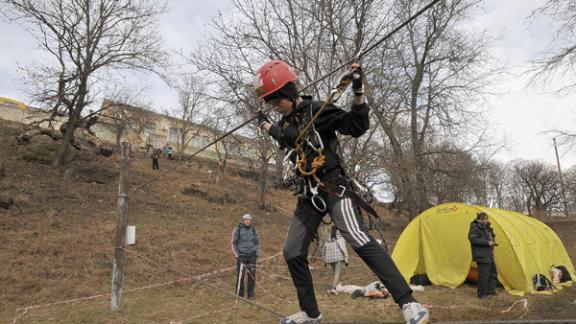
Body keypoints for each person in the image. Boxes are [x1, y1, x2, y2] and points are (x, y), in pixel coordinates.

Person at [255, 60, 429, 324]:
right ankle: (311, 313)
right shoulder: (288, 125)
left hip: (333, 186)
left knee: (358, 237)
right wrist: (265, 125)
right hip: (309, 194)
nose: (274, 106)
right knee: (291, 251)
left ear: (290, 92)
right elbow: (283, 135)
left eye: (276, 100)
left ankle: (409, 303)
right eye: (270, 103)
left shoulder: (318, 111)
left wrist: (358, 93)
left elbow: (356, 126)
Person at [468, 212, 498, 299]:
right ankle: (482, 294)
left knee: (492, 273)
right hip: (481, 255)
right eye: (482, 219)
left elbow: (491, 237)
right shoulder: (474, 227)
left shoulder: (487, 228)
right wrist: (488, 242)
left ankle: (491, 291)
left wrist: (493, 242)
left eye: (486, 219)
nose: (485, 220)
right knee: (483, 275)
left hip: (489, 254)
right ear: (478, 219)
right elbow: (473, 239)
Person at [230, 213, 260, 299]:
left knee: (252, 276)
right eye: (246, 220)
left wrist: (256, 253)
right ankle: (239, 295)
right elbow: (233, 243)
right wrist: (237, 255)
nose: (248, 221)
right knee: (240, 276)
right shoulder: (237, 229)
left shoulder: (253, 230)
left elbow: (257, 242)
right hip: (241, 256)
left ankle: (250, 295)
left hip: (252, 256)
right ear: (243, 220)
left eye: (249, 220)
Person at [322, 225, 348, 295]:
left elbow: (324, 249)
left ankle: (336, 285)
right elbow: (344, 249)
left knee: (335, 272)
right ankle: (333, 288)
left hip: (330, 259)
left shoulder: (328, 238)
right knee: (337, 273)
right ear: (338, 230)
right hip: (338, 258)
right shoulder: (340, 238)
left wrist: (324, 260)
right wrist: (346, 259)